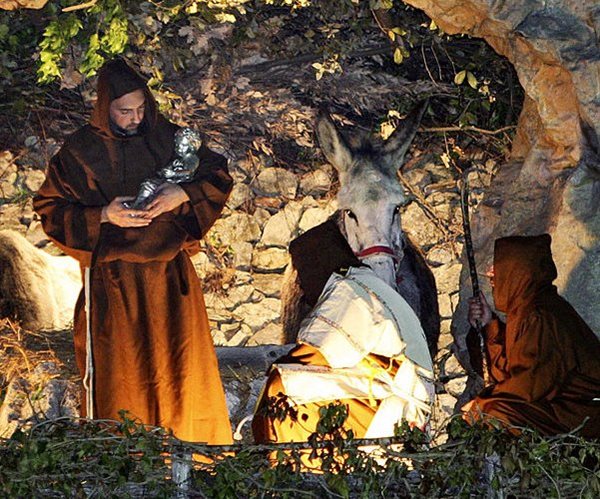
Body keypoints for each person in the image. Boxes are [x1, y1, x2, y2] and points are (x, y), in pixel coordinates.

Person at [33, 58, 233, 444]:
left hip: (171, 282)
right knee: (122, 381)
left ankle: (188, 460)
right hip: (113, 284)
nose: (135, 118)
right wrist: (103, 215)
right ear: (104, 108)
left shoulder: (168, 138)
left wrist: (181, 194)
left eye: (141, 109)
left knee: (182, 376)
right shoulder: (79, 153)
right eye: (125, 111)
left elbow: (217, 176)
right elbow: (49, 209)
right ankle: (128, 464)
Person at [464, 234, 600, 438]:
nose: (491, 274)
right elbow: (510, 372)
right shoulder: (527, 311)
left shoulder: (540, 314)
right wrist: (489, 324)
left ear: (517, 271)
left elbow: (532, 383)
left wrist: (481, 404)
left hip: (582, 415)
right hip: (567, 410)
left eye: (498, 267)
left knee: (493, 413)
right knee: (489, 409)